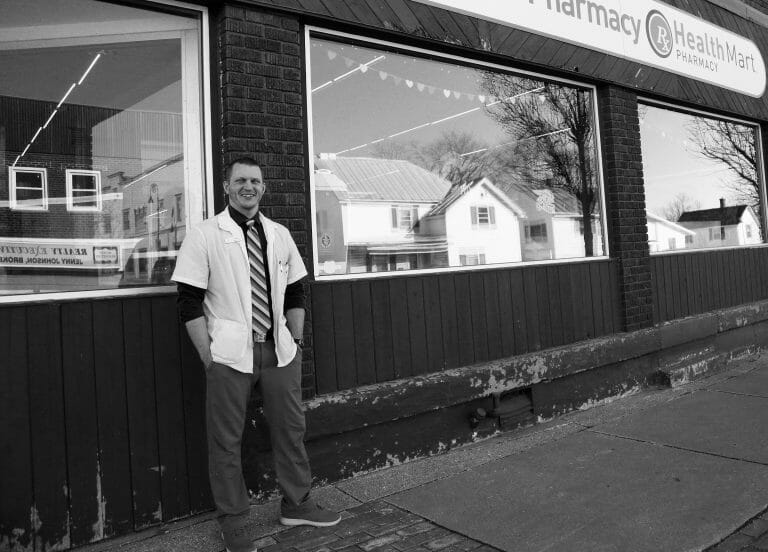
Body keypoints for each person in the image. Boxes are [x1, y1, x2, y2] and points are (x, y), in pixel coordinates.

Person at [172, 157, 340, 552]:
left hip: (278, 350)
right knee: (226, 440)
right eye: (241, 180)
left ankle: (297, 503)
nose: (249, 186)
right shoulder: (204, 234)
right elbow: (188, 301)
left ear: (264, 189)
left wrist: (295, 340)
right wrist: (207, 356)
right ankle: (234, 522)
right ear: (227, 187)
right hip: (228, 355)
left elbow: (296, 289)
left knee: (291, 429)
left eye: (256, 181)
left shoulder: (279, 234)